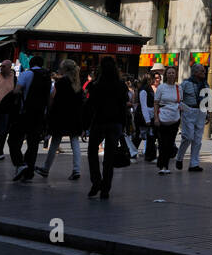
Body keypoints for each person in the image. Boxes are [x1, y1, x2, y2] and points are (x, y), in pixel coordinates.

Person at [86, 57, 129, 199]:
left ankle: (96, 180)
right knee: (109, 157)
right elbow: (124, 106)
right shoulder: (121, 85)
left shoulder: (95, 85)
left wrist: (85, 125)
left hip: (99, 121)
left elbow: (90, 106)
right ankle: (106, 188)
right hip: (115, 123)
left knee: (92, 151)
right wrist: (124, 125)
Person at [39, 59, 84, 180]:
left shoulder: (61, 82)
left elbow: (53, 98)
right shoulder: (78, 84)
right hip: (74, 117)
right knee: (75, 142)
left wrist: (49, 113)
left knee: (55, 142)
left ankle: (46, 168)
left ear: (64, 69)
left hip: (61, 116)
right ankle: (76, 169)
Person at [11, 58, 51, 181]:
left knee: (13, 139)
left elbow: (17, 90)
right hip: (39, 114)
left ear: (30, 64)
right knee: (33, 144)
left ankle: (20, 163)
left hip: (25, 113)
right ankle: (29, 173)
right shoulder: (47, 76)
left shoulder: (27, 74)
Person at [177, 64, 207, 172]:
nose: (204, 73)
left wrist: (208, 112)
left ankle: (194, 164)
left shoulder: (205, 84)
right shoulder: (185, 84)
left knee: (198, 139)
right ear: (195, 72)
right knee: (188, 137)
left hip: (201, 112)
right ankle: (179, 157)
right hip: (189, 111)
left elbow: (208, 98)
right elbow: (178, 99)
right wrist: (185, 109)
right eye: (202, 71)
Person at [152, 66, 182, 174]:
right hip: (162, 118)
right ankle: (162, 166)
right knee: (162, 143)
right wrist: (156, 117)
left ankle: (165, 165)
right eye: (169, 73)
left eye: (173, 73)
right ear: (165, 75)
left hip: (175, 119)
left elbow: (180, 103)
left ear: (175, 75)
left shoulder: (179, 88)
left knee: (170, 144)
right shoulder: (161, 88)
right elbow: (156, 103)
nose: (171, 75)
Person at [134, 74, 156, 162]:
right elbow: (143, 105)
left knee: (151, 136)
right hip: (142, 116)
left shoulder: (149, 89)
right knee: (138, 136)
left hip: (149, 115)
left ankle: (150, 156)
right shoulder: (143, 90)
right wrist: (147, 119)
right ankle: (131, 153)